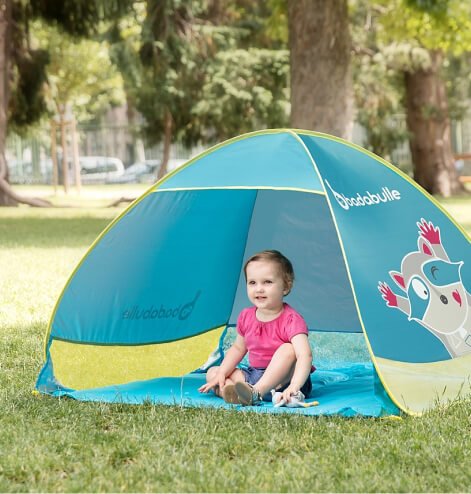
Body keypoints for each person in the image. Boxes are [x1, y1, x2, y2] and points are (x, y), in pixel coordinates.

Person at [198, 250, 314, 406]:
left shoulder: (291, 319)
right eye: (252, 282)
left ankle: (254, 393)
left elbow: (304, 355)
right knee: (214, 373)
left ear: (286, 286)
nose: (259, 288)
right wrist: (222, 373)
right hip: (255, 375)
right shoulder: (246, 316)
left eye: (267, 282)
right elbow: (238, 349)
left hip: (285, 383)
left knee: (289, 349)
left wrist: (295, 385)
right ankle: (233, 391)